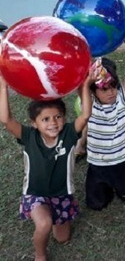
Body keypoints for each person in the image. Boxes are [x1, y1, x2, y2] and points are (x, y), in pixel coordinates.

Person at [0, 72, 93, 261]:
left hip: (61, 194)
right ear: (34, 123)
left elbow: (85, 115)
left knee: (62, 238)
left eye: (58, 117)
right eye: (46, 119)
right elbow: (6, 121)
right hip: (36, 193)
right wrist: (3, 88)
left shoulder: (68, 133)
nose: (53, 123)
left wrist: (84, 86)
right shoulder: (29, 136)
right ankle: (40, 254)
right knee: (44, 224)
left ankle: (50, 216)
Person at [85, 31, 125, 210]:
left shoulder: (120, 98)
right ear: (94, 92)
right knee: (96, 203)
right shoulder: (90, 105)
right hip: (98, 163)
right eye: (104, 89)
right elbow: (83, 86)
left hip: (121, 160)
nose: (111, 92)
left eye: (113, 87)